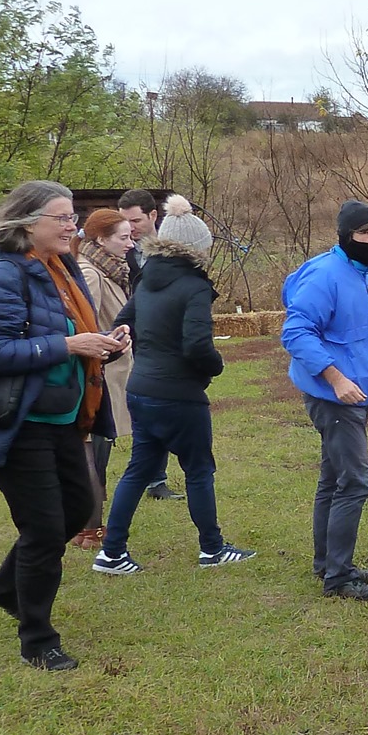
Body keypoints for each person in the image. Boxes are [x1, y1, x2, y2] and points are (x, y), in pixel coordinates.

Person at [0, 180, 129, 671]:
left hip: (63, 416)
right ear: (25, 223)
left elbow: (64, 331)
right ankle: (37, 638)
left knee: (78, 508)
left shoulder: (59, 267)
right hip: (17, 422)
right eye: (62, 217)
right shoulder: (0, 275)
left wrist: (101, 340)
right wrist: (70, 347)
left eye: (72, 216)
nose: (72, 225)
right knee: (43, 529)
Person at [91, 208, 255, 574]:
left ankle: (111, 552)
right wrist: (215, 367)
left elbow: (121, 324)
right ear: (198, 247)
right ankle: (212, 548)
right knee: (198, 470)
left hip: (142, 388)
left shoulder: (147, 277)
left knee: (138, 469)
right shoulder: (194, 285)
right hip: (178, 394)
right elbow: (197, 344)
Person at [281, 201, 368, 600]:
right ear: (346, 236)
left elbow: (367, 329)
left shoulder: (360, 275)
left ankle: (327, 562)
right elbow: (296, 332)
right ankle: (339, 578)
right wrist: (335, 378)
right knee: (355, 482)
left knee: (332, 478)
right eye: (365, 233)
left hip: (356, 394)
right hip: (335, 398)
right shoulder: (327, 275)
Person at [74, 208, 139, 547]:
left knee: (100, 451)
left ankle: (89, 526)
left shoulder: (110, 270)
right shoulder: (91, 273)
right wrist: (112, 341)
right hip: (99, 376)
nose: (130, 243)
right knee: (93, 454)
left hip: (112, 371)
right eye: (123, 237)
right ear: (101, 239)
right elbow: (85, 328)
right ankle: (91, 529)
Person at [116, 187, 184, 502]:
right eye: (125, 222)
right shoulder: (123, 253)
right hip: (139, 340)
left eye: (136, 220)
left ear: (153, 215)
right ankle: (153, 479)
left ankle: (154, 476)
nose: (130, 228)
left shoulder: (173, 248)